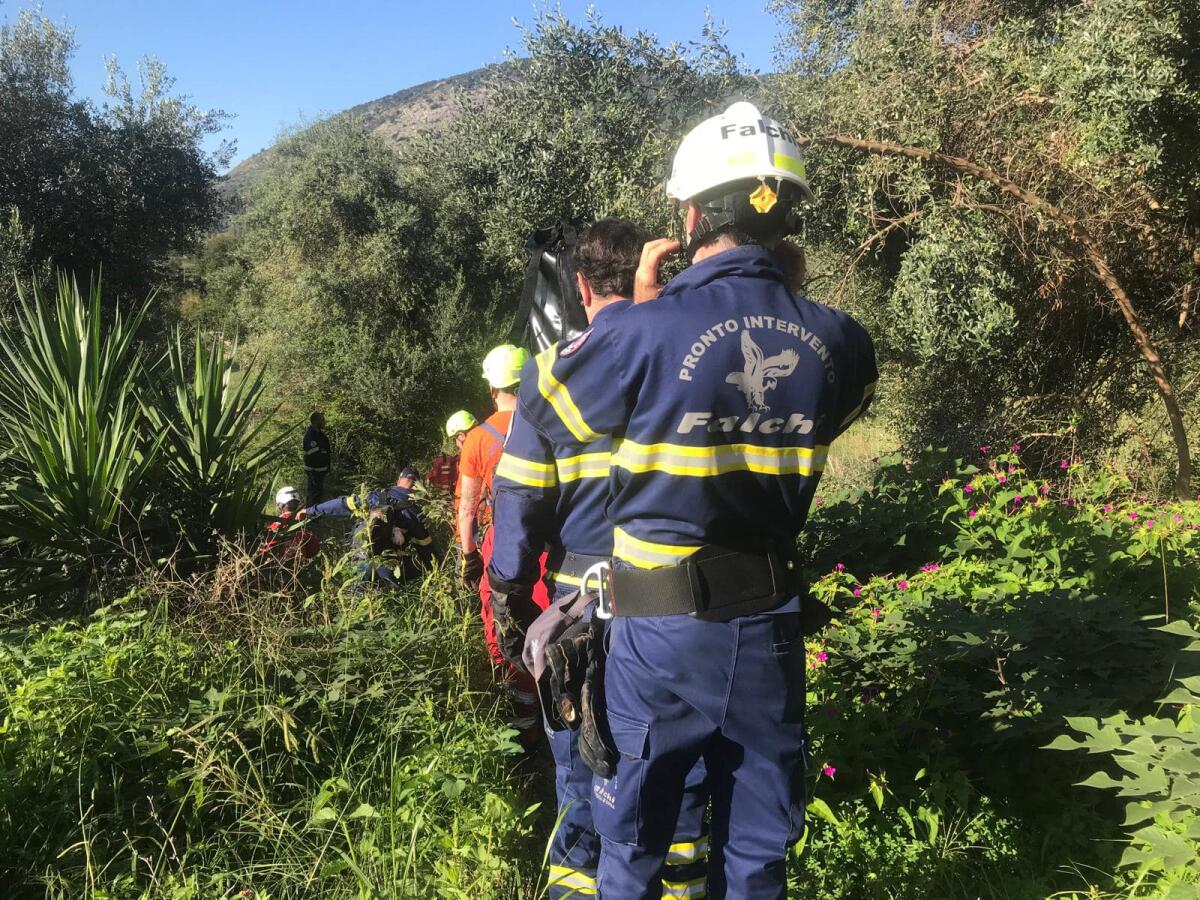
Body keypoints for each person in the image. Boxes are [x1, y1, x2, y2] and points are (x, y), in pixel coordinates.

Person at [508, 101, 878, 898]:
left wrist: (644, 314)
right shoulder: (841, 339)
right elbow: (830, 408)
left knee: (633, 847)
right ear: (786, 218)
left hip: (655, 635)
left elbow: (541, 397)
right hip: (768, 633)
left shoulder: (642, 332)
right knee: (755, 853)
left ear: (689, 215)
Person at [489, 219, 710, 900]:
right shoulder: (694, 359)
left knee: (588, 783)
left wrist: (507, 589)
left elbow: (519, 500)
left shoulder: (555, 373)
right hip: (683, 602)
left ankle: (577, 884)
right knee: (683, 788)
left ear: (581, 286)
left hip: (582, 608)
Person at [457, 344, 550, 749]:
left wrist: (468, 556)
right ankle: (558, 715)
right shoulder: (551, 422)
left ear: (493, 389)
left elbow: (467, 508)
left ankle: (522, 725)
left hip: (503, 541)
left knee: (504, 627)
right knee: (553, 625)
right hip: (551, 540)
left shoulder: (478, 438)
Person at [298, 466, 433, 585]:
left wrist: (311, 510)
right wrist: (433, 571)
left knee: (358, 599)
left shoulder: (375, 496)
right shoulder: (415, 511)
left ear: (398, 479)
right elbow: (425, 547)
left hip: (362, 558)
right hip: (390, 566)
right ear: (416, 487)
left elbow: (342, 504)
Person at [260, 485, 321, 562]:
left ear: (280, 505)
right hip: (298, 568)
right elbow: (314, 548)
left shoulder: (276, 525)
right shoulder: (303, 523)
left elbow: (266, 547)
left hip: (278, 568)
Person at [428, 410, 477, 496]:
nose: (456, 444)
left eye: (455, 440)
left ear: (461, 436)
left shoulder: (465, 461)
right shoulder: (491, 448)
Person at [302, 412, 332, 503]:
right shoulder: (310, 435)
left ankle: (316, 512)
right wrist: (320, 449)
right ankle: (310, 513)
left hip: (321, 470)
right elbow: (310, 452)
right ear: (316, 421)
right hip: (313, 470)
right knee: (313, 493)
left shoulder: (322, 436)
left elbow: (326, 451)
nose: (324, 422)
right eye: (322, 420)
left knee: (319, 493)